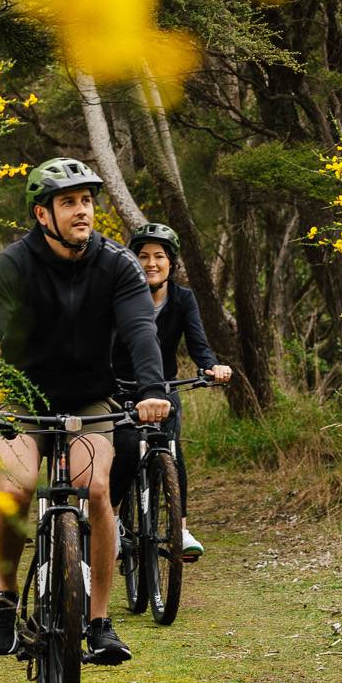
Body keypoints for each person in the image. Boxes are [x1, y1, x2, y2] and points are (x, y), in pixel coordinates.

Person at [0, 159, 171, 666]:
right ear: (42, 213)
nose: (83, 211)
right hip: (23, 399)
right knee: (15, 487)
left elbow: (142, 332)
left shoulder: (118, 265)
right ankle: (6, 594)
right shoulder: (12, 265)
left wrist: (151, 391)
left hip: (89, 401)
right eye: (69, 201)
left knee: (95, 489)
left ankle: (98, 622)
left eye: (88, 201)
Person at [111, 221, 232, 562]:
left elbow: (199, 345)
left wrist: (211, 366)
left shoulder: (183, 299)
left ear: (171, 263)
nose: (151, 262)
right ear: (132, 261)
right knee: (125, 449)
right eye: (143, 256)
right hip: (121, 390)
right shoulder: (117, 298)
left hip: (163, 390)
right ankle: (116, 523)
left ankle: (179, 527)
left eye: (159, 256)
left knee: (171, 452)